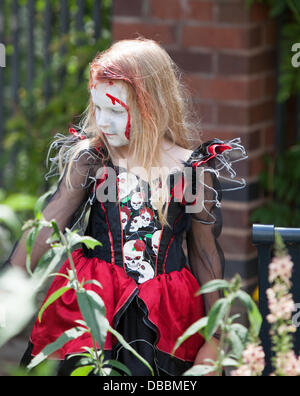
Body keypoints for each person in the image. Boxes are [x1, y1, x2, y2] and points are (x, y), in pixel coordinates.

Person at [5, 38, 247, 376]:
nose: (103, 121)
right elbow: (50, 224)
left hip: (167, 317)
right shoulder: (93, 160)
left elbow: (204, 255)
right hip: (92, 308)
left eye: (116, 111)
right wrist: (6, 294)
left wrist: (216, 340)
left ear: (153, 105)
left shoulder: (192, 172)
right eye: (98, 108)